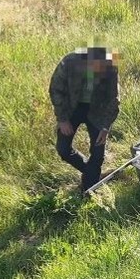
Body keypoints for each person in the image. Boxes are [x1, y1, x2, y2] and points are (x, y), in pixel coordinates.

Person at [49, 47, 120, 192]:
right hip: (72, 108)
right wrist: (62, 119)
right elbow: (55, 89)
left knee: (98, 153)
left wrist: (105, 127)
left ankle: (88, 191)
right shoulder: (69, 62)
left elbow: (114, 99)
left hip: (97, 110)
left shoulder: (111, 66)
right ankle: (91, 173)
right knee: (63, 149)